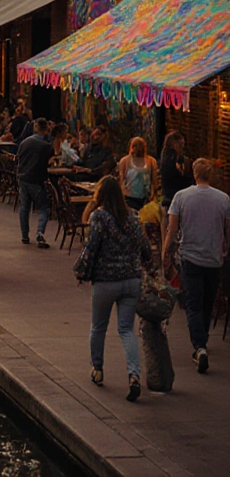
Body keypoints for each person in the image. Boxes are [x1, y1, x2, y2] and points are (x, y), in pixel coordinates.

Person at [75, 175, 153, 402]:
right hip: (131, 280)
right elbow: (145, 248)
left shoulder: (99, 217)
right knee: (127, 330)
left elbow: (92, 247)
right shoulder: (132, 216)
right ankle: (134, 375)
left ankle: (97, 369)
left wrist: (82, 272)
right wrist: (148, 264)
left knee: (98, 327)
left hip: (106, 280)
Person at [163, 158, 230, 374]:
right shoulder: (223, 199)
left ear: (194, 174)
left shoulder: (181, 197)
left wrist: (166, 252)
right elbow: (227, 229)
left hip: (190, 256)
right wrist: (225, 250)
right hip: (213, 258)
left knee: (192, 302)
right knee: (207, 302)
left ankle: (199, 346)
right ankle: (203, 339)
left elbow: (172, 229)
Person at [15, 118, 53, 248]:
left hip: (23, 177)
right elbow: (50, 159)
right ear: (46, 129)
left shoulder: (24, 142)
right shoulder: (45, 146)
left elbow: (19, 158)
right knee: (44, 207)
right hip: (36, 179)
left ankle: (24, 235)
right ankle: (40, 232)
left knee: (24, 207)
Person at [117, 137, 154, 212]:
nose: (138, 148)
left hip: (145, 196)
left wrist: (152, 193)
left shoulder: (151, 161)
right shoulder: (125, 161)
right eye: (135, 146)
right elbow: (121, 179)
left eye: (140, 146)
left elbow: (153, 179)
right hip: (129, 196)